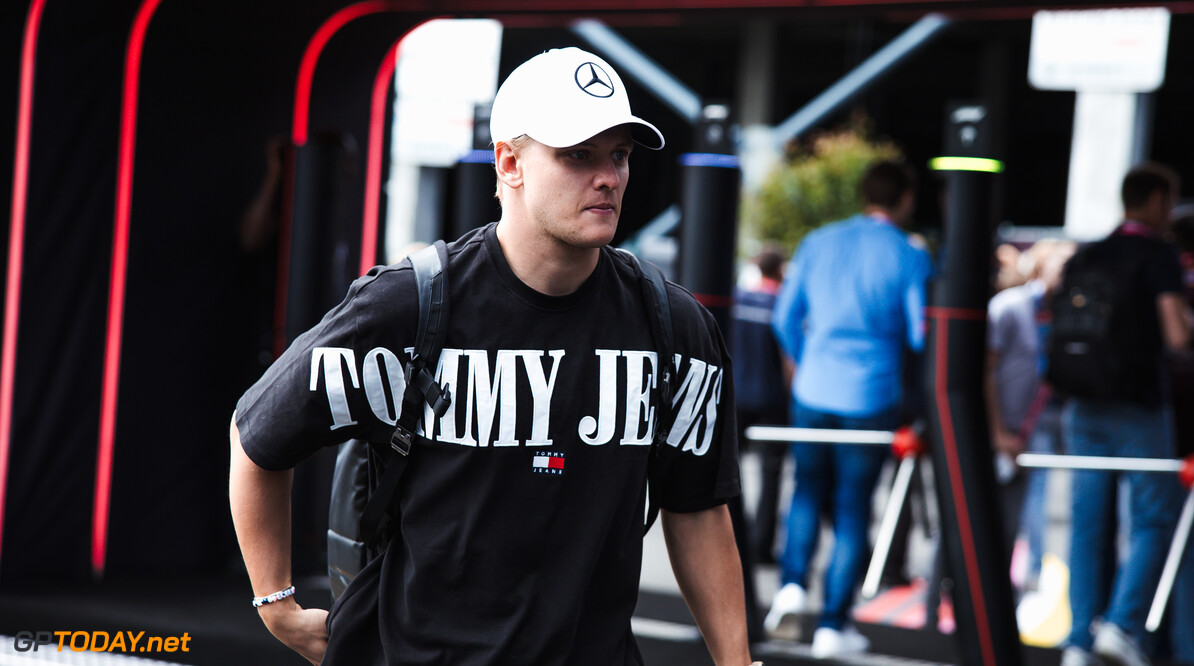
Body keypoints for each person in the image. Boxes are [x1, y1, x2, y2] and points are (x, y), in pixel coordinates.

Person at [229, 47, 757, 666]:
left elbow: (697, 507)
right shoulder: (407, 307)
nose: (609, 177)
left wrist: (736, 663)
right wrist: (278, 606)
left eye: (619, 155)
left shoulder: (673, 326)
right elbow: (257, 435)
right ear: (509, 162)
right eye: (578, 155)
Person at [763, 160, 933, 658]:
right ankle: (833, 625)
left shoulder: (818, 241)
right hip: (871, 396)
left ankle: (792, 588)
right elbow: (921, 333)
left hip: (813, 390)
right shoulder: (910, 255)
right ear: (903, 198)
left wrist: (803, 361)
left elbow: (783, 318)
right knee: (853, 508)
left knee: (806, 492)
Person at [1058, 163, 1191, 666]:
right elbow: (1176, 335)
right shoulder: (1158, 255)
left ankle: (1078, 639)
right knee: (1153, 520)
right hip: (1138, 405)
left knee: (1088, 524)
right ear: (1156, 200)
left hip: (1082, 403)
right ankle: (1122, 625)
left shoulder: (1088, 253)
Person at [984, 239, 1074, 591]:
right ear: (1040, 267)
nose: (1068, 275)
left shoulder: (1067, 313)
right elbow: (985, 373)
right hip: (1005, 424)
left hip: (1041, 420)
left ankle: (1023, 577)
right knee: (995, 510)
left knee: (1031, 498)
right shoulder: (1009, 307)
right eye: (1061, 266)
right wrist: (996, 432)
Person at [731, 245, 790, 565]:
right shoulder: (781, 305)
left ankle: (731, 538)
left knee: (728, 470)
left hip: (736, 394)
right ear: (779, 270)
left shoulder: (738, 300)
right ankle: (761, 545)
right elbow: (790, 357)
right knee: (771, 475)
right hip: (771, 399)